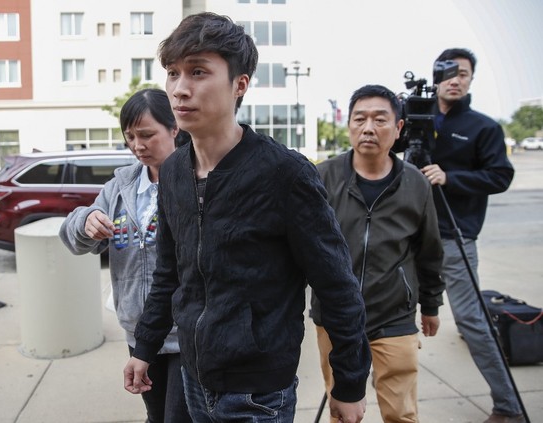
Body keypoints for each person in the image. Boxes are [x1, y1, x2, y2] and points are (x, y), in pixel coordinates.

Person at [123, 12, 371, 423]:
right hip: (193, 377)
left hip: (258, 393)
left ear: (240, 84)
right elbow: (172, 273)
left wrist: (349, 383)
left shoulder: (285, 173)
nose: (180, 89)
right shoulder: (172, 172)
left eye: (198, 72)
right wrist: (145, 347)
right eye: (172, 73)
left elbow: (337, 285)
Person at [310, 84, 444, 423]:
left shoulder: (416, 184)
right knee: (343, 411)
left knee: (401, 412)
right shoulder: (322, 177)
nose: (368, 128)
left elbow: (429, 250)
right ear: (349, 125)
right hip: (336, 318)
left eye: (380, 119)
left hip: (394, 316)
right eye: (360, 119)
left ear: (398, 128)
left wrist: (430, 306)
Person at [59, 88, 192, 423]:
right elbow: (75, 240)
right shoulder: (121, 186)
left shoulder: (196, 179)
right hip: (137, 328)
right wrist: (85, 222)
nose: (137, 145)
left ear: (174, 127)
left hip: (185, 332)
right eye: (130, 136)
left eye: (147, 135)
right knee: (156, 415)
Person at [421, 48, 521, 423]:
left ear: (471, 79)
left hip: (454, 235)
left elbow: (501, 175)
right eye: (448, 72)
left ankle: (509, 406)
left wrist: (451, 177)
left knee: (471, 321)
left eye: (463, 73)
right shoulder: (414, 117)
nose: (455, 79)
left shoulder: (484, 127)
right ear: (435, 76)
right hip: (408, 233)